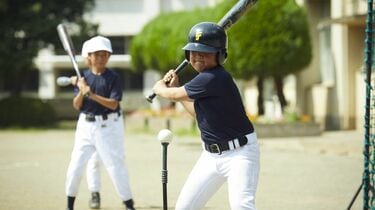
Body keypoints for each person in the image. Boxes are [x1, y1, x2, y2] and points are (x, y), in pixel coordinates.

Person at [152, 22, 260, 210]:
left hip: (239, 154)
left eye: (205, 52)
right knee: (184, 207)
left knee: (242, 206)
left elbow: (175, 95)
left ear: (220, 55)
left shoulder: (214, 77)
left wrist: (160, 88)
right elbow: (197, 112)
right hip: (210, 156)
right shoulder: (205, 81)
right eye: (194, 52)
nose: (198, 56)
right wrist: (175, 88)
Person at [65, 35, 136, 210]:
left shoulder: (113, 77)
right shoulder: (83, 78)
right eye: (97, 54)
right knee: (76, 165)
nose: (101, 58)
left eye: (105, 54)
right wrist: (81, 91)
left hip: (109, 126)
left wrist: (91, 94)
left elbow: (113, 104)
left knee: (115, 165)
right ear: (88, 57)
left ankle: (128, 204)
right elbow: (77, 105)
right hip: (85, 126)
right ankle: (69, 205)